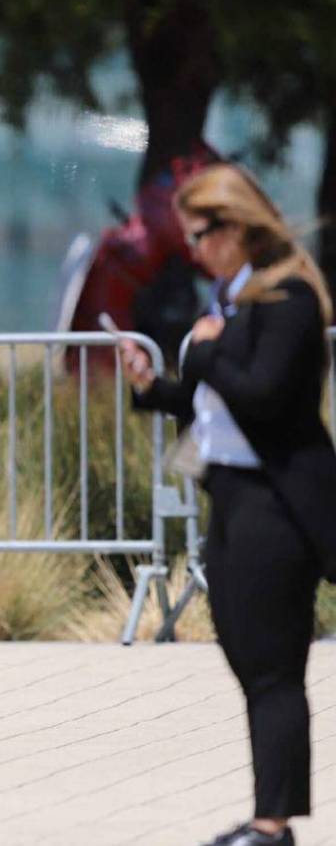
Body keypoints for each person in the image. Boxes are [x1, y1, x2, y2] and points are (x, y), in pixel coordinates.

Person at [119, 164, 336, 846]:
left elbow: (263, 396)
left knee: (273, 669)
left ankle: (273, 825)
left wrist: (208, 355)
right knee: (250, 660)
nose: (194, 249)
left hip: (276, 507)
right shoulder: (237, 302)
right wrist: (154, 386)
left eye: (201, 233)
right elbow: (215, 400)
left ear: (236, 228)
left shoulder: (289, 300)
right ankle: (268, 812)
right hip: (234, 501)